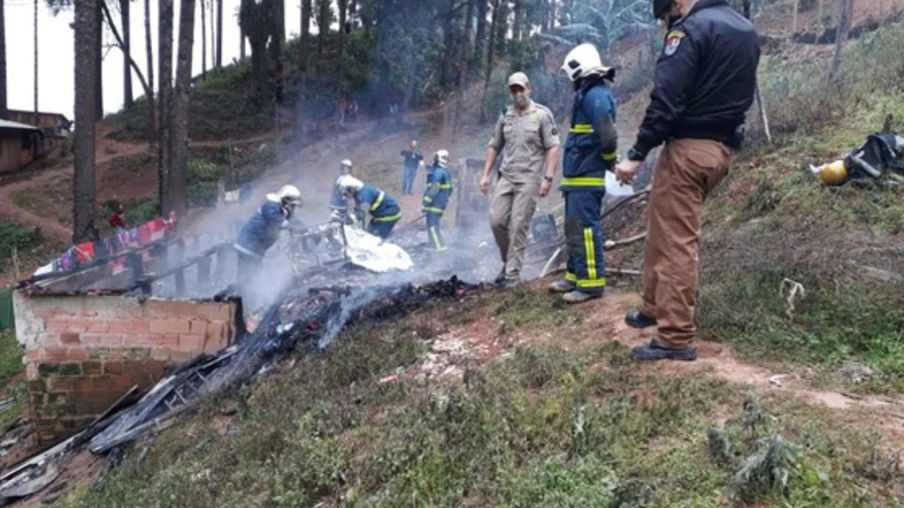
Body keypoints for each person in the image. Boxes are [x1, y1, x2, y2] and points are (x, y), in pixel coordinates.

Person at [614, 0, 760, 361]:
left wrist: (636, 154)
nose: (668, 22)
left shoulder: (689, 31)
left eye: (667, 15)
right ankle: (652, 307)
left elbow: (667, 99)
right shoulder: (744, 28)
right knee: (661, 228)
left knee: (677, 241)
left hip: (688, 150)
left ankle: (676, 335)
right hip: (721, 150)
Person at [548, 43, 617, 304]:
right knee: (574, 229)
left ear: (580, 69)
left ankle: (591, 284)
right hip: (577, 178)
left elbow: (608, 136)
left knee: (586, 230)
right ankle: (575, 276)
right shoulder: (587, 95)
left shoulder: (596, 95)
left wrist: (609, 162)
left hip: (588, 176)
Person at [480, 71, 561, 287]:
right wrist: (486, 174)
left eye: (520, 89)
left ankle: (513, 275)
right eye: (513, 90)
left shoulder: (542, 115)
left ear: (529, 88)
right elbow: (494, 145)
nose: (517, 94)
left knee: (518, 225)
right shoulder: (505, 116)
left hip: (529, 179)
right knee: (496, 221)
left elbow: (552, 146)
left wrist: (548, 178)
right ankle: (508, 264)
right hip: (506, 177)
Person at [233, 184, 303, 291]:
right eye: (292, 206)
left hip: (255, 250)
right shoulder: (271, 206)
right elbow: (278, 221)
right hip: (248, 247)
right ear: (285, 202)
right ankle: (238, 299)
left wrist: (304, 228)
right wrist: (292, 228)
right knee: (246, 279)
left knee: (252, 278)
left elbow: (293, 221)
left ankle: (247, 299)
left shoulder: (279, 210)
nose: (293, 209)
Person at [336, 175, 402, 240]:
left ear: (350, 189)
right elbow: (358, 209)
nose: (346, 196)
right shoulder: (360, 192)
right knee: (368, 234)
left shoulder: (365, 195)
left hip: (388, 216)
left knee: (374, 239)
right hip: (380, 215)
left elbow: (362, 213)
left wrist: (346, 221)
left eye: (345, 194)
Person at [422, 149, 454, 252]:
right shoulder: (446, 173)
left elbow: (434, 189)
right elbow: (449, 190)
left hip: (434, 205)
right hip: (440, 204)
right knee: (434, 226)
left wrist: (426, 202)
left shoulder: (438, 173)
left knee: (432, 227)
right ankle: (439, 247)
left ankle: (439, 249)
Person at [329, 159, 364, 225]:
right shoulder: (342, 178)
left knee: (337, 221)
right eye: (344, 167)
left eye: (347, 168)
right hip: (338, 206)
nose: (345, 169)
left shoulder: (340, 177)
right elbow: (358, 185)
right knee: (339, 222)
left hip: (339, 205)